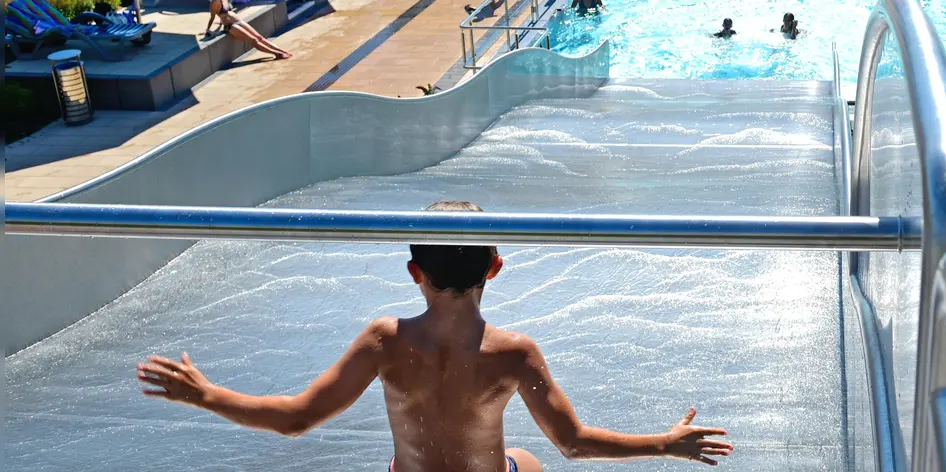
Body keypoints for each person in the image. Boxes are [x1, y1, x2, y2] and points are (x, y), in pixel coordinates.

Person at [137, 200, 732, 471]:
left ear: (415, 274)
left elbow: (295, 418)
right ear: (495, 268)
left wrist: (206, 394)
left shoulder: (384, 341)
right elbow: (573, 442)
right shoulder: (514, 354)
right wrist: (664, 443)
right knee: (528, 461)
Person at [204, 0, 291, 59]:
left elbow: (228, 12)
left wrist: (219, 24)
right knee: (254, 40)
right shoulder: (215, 2)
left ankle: (281, 51)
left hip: (238, 21)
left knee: (259, 37)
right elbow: (212, 16)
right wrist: (208, 29)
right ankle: (276, 54)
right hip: (231, 26)